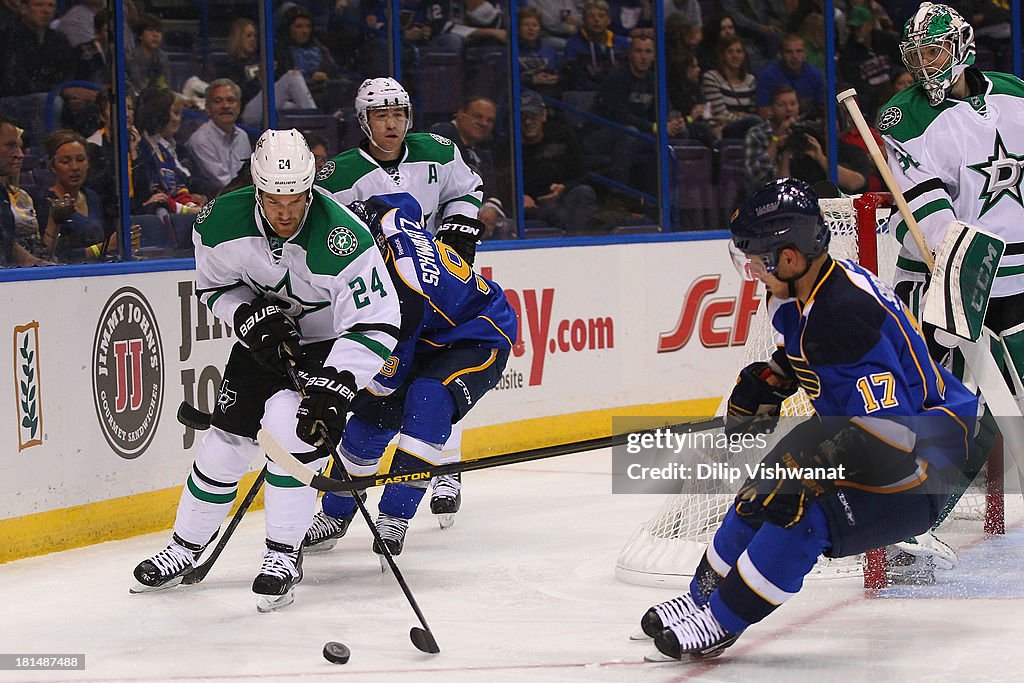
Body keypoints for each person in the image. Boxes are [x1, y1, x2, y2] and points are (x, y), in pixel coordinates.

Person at [640, 178, 978, 660]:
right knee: (766, 485)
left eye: (756, 258)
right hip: (881, 436)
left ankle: (722, 618)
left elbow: (890, 435)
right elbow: (807, 356)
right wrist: (774, 379)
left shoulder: (843, 318)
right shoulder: (804, 293)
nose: (752, 270)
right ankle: (701, 599)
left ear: (791, 256)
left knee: (798, 507)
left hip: (924, 464)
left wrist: (808, 467)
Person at [131, 129, 401, 612]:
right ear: (256, 188)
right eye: (273, 199)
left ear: (309, 190)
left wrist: (337, 383)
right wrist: (246, 316)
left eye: (295, 199)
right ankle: (184, 547)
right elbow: (214, 288)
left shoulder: (344, 237)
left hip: (327, 346)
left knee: (289, 437)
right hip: (262, 341)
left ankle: (282, 554)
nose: (284, 212)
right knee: (224, 446)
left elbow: (378, 321)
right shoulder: (217, 223)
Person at [878, 2, 1024, 568]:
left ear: (961, 48)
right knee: (960, 409)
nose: (923, 64)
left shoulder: (1013, 93)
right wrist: (960, 267)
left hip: (1016, 278)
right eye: (916, 55)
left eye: (934, 51)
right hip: (952, 283)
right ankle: (908, 526)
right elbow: (934, 224)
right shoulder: (903, 118)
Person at [313, 77, 486, 537]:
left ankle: (446, 466)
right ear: (363, 121)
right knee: (385, 384)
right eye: (379, 116)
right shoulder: (339, 175)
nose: (391, 125)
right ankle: (340, 503)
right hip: (383, 290)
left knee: (440, 373)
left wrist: (459, 229)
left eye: (397, 115)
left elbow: (468, 191)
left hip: (438, 278)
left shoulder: (438, 150)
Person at [305, 193, 516, 557]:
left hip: (478, 335)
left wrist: (337, 397)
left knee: (427, 399)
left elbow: (386, 378)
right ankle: (335, 513)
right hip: (427, 336)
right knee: (369, 424)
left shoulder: (404, 291)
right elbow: (404, 201)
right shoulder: (374, 218)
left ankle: (395, 516)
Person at [500, 90, 598, 234]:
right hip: (533, 204)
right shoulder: (508, 145)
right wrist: (517, 196)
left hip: (564, 196)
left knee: (584, 192)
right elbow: (500, 182)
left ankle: (581, 242)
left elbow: (582, 174)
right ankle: (579, 243)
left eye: (533, 116)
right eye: (522, 117)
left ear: (543, 115)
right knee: (560, 214)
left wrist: (564, 188)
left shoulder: (562, 135)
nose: (528, 122)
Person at [745, 85, 871, 195]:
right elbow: (767, 181)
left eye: (793, 104)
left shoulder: (809, 135)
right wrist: (780, 144)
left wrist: (818, 156)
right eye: (782, 105)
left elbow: (853, 182)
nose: (788, 109)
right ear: (771, 109)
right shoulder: (758, 135)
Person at [35, 129, 136, 262]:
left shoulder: (92, 197)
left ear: (88, 163)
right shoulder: (45, 202)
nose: (75, 167)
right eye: (65, 161)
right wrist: (103, 248)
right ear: (52, 166)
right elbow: (57, 256)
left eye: (80, 159)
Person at [214, 17, 318, 127]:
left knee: (296, 108)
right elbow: (235, 94)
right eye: (249, 36)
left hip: (266, 104)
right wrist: (258, 78)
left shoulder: (261, 60)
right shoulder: (228, 64)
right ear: (238, 38)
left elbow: (277, 88)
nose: (253, 39)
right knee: (292, 76)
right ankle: (317, 122)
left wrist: (271, 74)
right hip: (246, 111)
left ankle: (314, 123)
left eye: (255, 36)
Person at [428, 96, 506, 239]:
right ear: (461, 114)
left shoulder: (482, 149)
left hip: (466, 218)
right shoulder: (441, 137)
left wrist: (491, 208)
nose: (484, 123)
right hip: (438, 219)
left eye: (490, 120)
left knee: (507, 226)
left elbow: (489, 189)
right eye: (478, 116)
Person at [185, 79, 253, 196]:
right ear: (207, 108)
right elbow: (225, 186)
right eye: (218, 101)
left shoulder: (242, 136)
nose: (225, 106)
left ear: (239, 107)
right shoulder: (200, 140)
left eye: (231, 100)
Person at [0, 116, 51, 267]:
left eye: (19, 146)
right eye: (10, 146)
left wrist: (41, 265)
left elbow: (7, 243)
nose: (20, 154)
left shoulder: (2, 193)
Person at [562, 0, 630, 91]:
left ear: (608, 20)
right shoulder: (573, 45)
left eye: (601, 16)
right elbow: (577, 81)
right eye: (591, 16)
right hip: (587, 95)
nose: (596, 20)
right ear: (584, 20)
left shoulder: (623, 43)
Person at [755, 34, 825, 121]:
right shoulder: (767, 76)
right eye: (789, 52)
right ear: (780, 54)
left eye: (799, 51)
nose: (794, 56)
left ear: (804, 54)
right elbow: (764, 113)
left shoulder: (816, 75)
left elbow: (823, 109)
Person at [701, 37, 760, 140]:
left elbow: (753, 111)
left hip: (748, 130)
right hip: (722, 129)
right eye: (730, 52)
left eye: (739, 51)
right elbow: (720, 113)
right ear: (723, 56)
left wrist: (734, 117)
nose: (735, 56)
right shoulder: (712, 77)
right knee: (754, 121)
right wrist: (743, 117)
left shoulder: (750, 80)